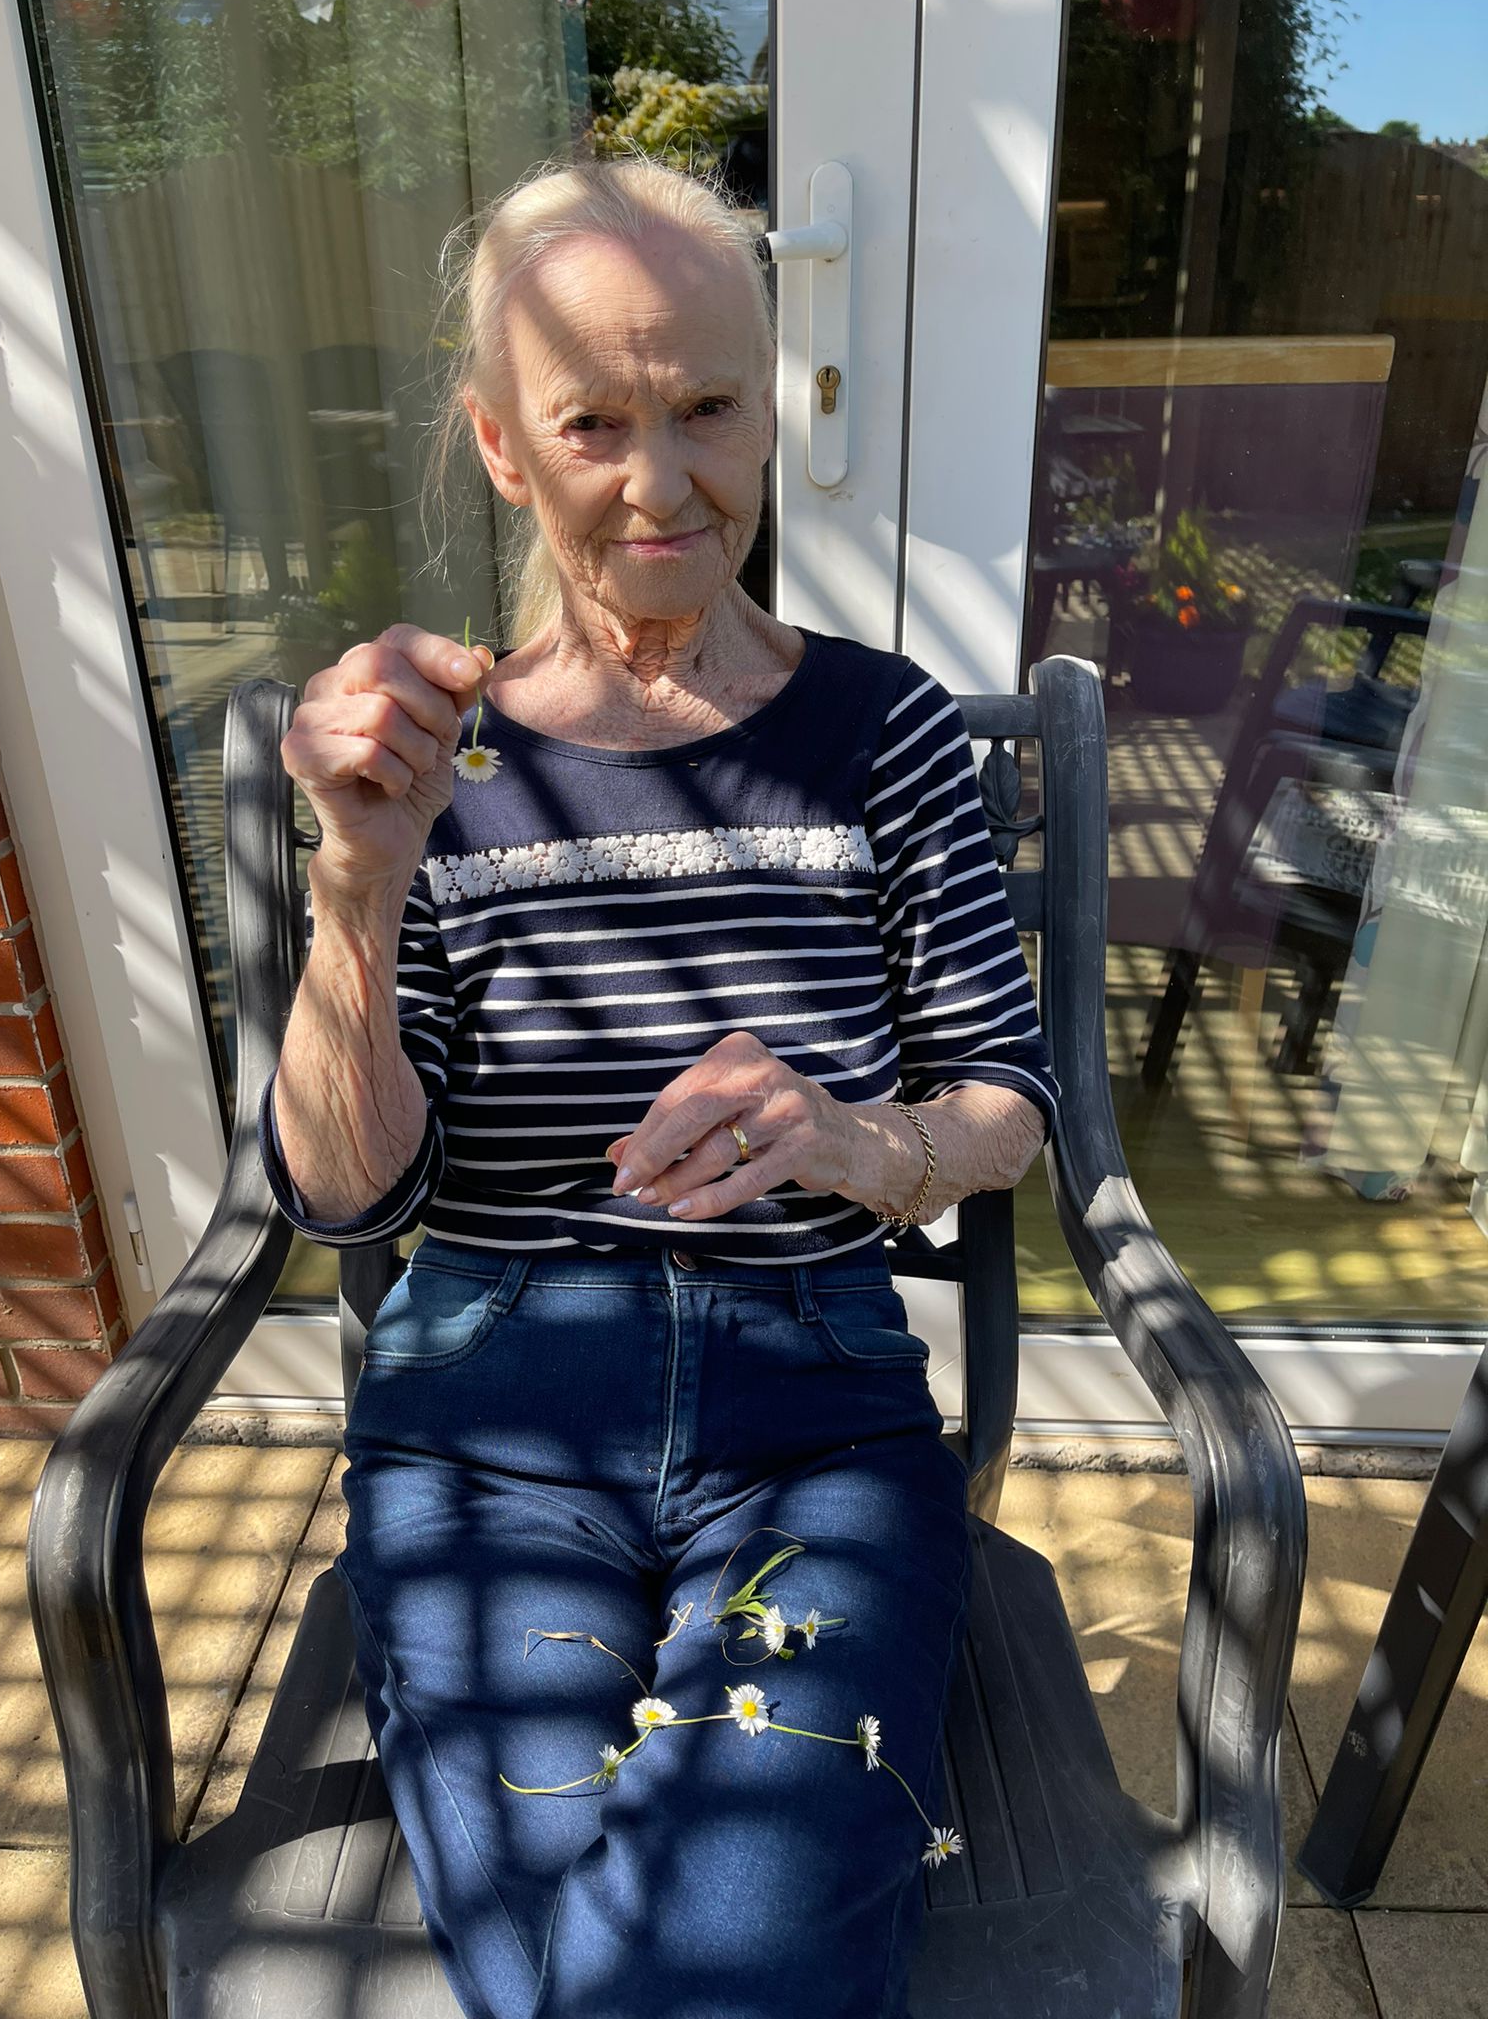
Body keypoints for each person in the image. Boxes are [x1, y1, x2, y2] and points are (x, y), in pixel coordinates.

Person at [258, 154, 1058, 2019]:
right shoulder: (429, 758)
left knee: (719, 1940)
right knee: (709, 1966)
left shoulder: (885, 733)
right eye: (593, 424)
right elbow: (347, 1193)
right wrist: (358, 886)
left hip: (816, 1418)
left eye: (707, 409)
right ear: (499, 446)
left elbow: (1004, 1101)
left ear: (770, 414)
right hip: (488, 1420)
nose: (663, 481)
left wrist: (854, 1138)